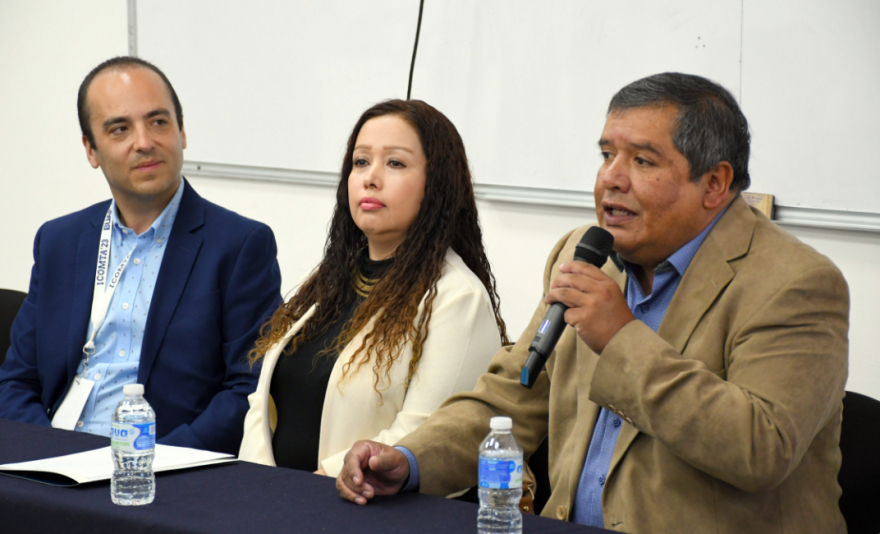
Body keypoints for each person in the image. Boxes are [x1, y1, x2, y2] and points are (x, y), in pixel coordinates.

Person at [336, 73, 849, 533]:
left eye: (642, 161)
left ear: (714, 183)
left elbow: (761, 448)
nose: (611, 179)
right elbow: (512, 398)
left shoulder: (795, 283)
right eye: (607, 155)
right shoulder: (585, 254)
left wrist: (621, 337)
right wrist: (407, 459)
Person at [0, 57, 282, 455]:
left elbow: (249, 391)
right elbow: (17, 380)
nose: (144, 142)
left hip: (159, 471)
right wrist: (47, 452)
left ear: (182, 132)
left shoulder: (239, 245)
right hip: (53, 460)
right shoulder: (59, 241)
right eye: (119, 129)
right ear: (91, 149)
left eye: (159, 122)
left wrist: (152, 463)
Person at [238, 100, 508, 478]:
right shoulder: (331, 281)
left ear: (437, 184)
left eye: (395, 163)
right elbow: (261, 404)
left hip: (361, 512)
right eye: (361, 162)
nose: (370, 177)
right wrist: (260, 485)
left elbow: (423, 435)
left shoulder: (457, 298)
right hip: (273, 506)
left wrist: (314, 494)